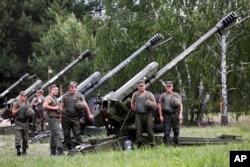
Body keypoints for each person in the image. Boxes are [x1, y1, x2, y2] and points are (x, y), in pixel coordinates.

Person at [61, 81, 94, 151]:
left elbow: (85, 105)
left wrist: (89, 114)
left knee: (77, 133)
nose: (71, 89)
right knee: (66, 133)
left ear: (76, 88)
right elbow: (62, 106)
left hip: (75, 117)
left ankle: (79, 147)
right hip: (66, 117)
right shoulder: (65, 96)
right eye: (70, 88)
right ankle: (68, 147)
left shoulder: (79, 95)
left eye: (73, 88)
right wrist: (60, 117)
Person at [131, 80, 157, 148]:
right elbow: (132, 102)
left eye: (142, 86)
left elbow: (154, 103)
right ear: (138, 87)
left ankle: (152, 143)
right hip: (138, 114)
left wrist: (150, 105)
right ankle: (139, 143)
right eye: (140, 86)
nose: (141, 87)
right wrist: (134, 108)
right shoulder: (135, 94)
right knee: (139, 129)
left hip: (148, 114)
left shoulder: (149, 94)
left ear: (144, 86)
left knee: (149, 128)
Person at [158, 81, 183, 145]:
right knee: (166, 130)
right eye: (167, 86)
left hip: (175, 114)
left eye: (170, 86)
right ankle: (167, 145)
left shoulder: (176, 95)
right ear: (165, 87)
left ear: (172, 87)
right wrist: (160, 115)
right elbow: (160, 105)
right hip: (166, 115)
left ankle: (176, 144)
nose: (169, 88)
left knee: (176, 130)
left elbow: (180, 104)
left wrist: (180, 114)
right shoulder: (163, 95)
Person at [43, 84, 64, 155]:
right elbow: (45, 105)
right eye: (55, 89)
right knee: (57, 135)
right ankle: (60, 151)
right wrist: (54, 108)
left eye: (57, 89)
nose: (56, 91)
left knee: (53, 135)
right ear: (51, 90)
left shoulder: (54, 98)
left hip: (56, 118)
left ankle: (53, 152)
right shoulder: (49, 97)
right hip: (52, 118)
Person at [12, 91, 32, 156]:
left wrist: (30, 112)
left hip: (25, 122)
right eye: (24, 96)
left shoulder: (27, 103)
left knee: (25, 137)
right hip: (18, 122)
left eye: (26, 96)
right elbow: (13, 113)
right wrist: (19, 109)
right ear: (20, 96)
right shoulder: (16, 103)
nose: (25, 97)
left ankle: (24, 150)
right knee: (18, 137)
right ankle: (18, 149)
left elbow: (30, 111)